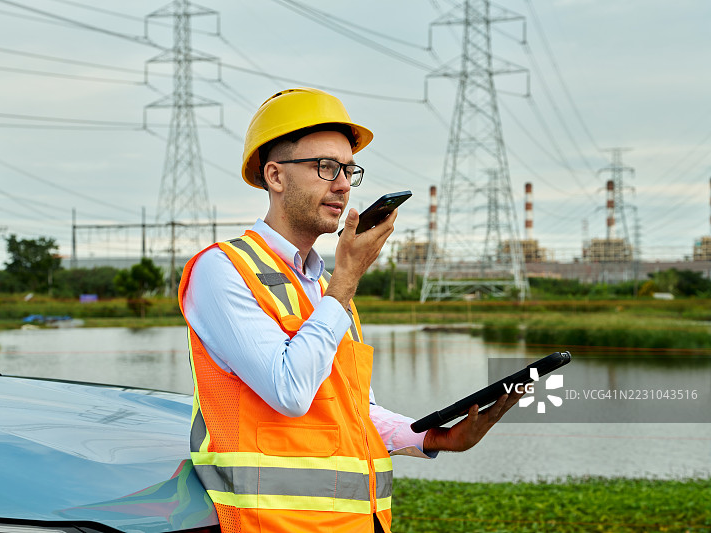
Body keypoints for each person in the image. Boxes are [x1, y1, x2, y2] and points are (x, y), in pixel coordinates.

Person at [178, 87, 520, 533]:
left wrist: (431, 436)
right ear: (276, 177)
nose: (342, 184)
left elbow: (353, 411)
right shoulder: (223, 271)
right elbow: (289, 391)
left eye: (348, 169)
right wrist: (344, 285)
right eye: (325, 167)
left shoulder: (326, 288)